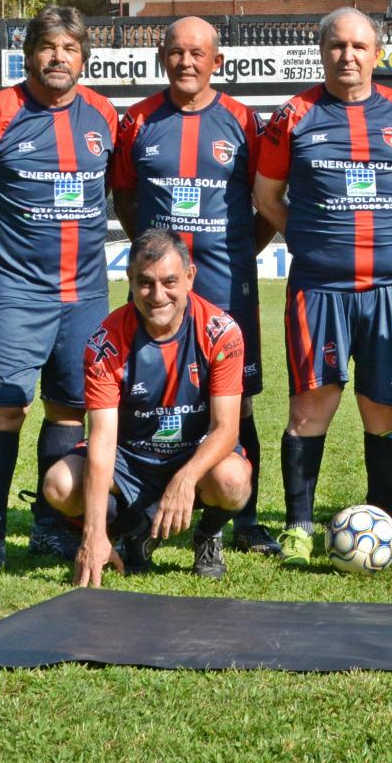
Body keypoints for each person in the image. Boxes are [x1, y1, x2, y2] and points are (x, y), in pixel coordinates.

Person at [0, 5, 117, 570]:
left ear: (83, 58)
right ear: (29, 52)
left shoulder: (104, 116)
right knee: (6, 409)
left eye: (70, 49)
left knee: (69, 411)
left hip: (85, 295)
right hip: (17, 293)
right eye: (48, 47)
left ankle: (49, 527)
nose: (58, 58)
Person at [253, 7, 392, 567]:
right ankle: (300, 526)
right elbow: (266, 196)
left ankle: (382, 519)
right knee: (311, 407)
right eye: (336, 46)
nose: (347, 56)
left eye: (358, 46)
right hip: (320, 288)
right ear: (322, 51)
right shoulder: (294, 115)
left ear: (376, 52)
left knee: (384, 410)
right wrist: (310, 238)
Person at [110, 16, 278, 556]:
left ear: (217, 62)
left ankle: (243, 518)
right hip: (161, 290)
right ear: (163, 58)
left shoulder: (244, 122)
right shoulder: (136, 122)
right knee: (157, 393)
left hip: (228, 284)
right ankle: (142, 506)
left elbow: (268, 203)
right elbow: (127, 201)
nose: (186, 62)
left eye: (197, 53)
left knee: (238, 401)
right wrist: (163, 268)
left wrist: (233, 256)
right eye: (176, 53)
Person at [43, 229, 252, 584]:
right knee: (59, 484)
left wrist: (185, 479)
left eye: (169, 281)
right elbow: (103, 441)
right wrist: (93, 533)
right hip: (130, 458)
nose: (158, 295)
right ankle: (130, 529)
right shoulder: (106, 342)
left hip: (191, 456)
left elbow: (226, 428)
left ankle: (207, 536)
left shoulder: (221, 332)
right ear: (129, 280)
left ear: (189, 277)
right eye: (145, 283)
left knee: (233, 481)